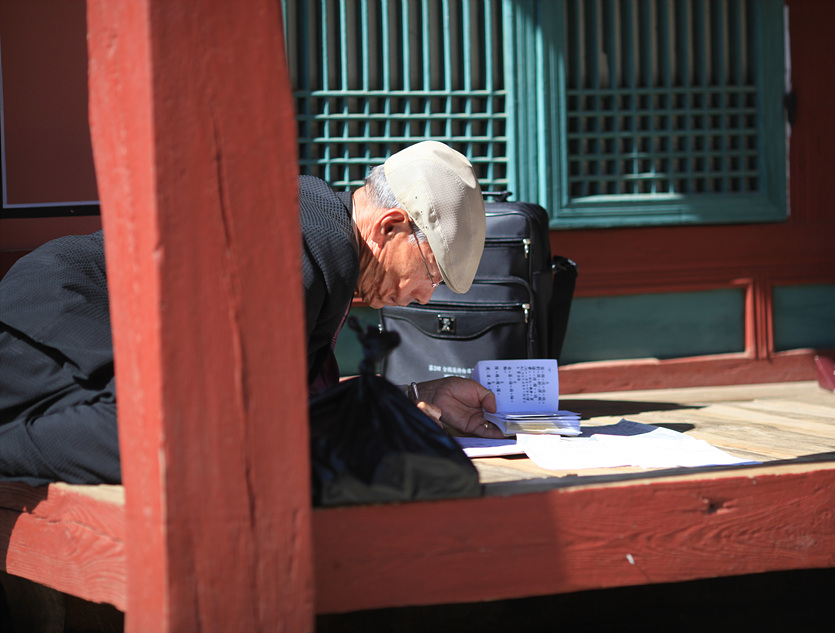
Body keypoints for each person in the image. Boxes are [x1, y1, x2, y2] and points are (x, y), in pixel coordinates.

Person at [0, 141, 504, 486]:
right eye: (432, 273)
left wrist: (414, 397)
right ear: (389, 228)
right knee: (198, 437)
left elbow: (292, 406)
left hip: (92, 344)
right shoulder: (297, 247)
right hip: (57, 326)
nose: (424, 298)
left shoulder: (327, 255)